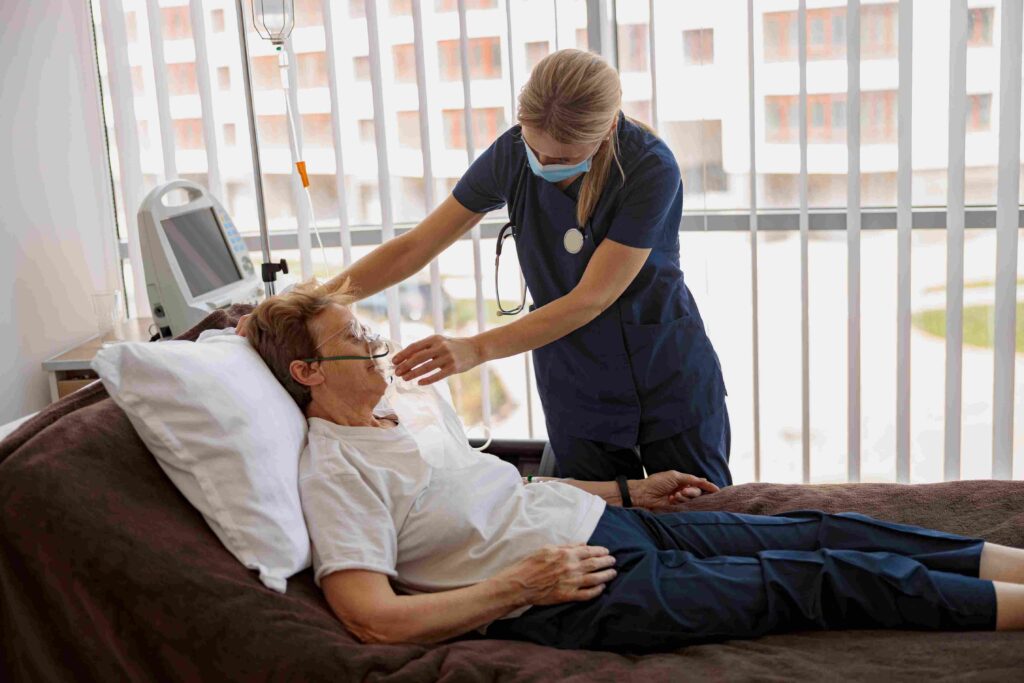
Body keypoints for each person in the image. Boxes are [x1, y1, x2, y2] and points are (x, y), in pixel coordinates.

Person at [243, 285, 1024, 653]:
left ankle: (1011, 565)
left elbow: (509, 491)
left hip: (610, 524)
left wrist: (626, 489)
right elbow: (371, 615)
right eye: (359, 340)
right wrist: (520, 586)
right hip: (573, 591)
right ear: (308, 373)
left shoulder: (401, 411)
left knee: (812, 527)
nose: (380, 347)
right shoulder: (335, 473)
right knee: (815, 578)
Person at [291, 48, 730, 487]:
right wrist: (312, 301)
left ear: (609, 129)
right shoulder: (513, 154)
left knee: (705, 515)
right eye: (536, 149)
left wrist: (475, 348)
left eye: (561, 159)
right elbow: (416, 246)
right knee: (606, 534)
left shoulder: (649, 167)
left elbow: (590, 299)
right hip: (577, 383)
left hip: (666, 374)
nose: (544, 164)